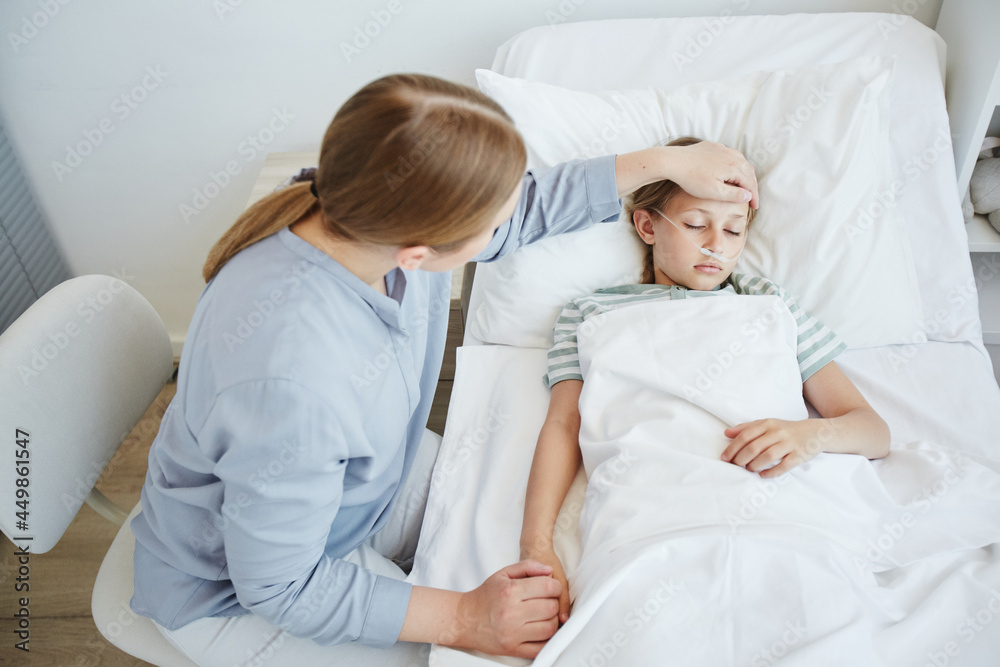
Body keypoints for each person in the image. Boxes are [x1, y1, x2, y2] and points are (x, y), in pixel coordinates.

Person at [129, 79, 761, 666]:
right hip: (246, 591)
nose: (504, 225)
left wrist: (664, 164)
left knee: (544, 515)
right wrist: (462, 619)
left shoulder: (362, 216)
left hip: (361, 492)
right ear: (418, 254)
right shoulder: (294, 380)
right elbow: (280, 585)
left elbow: (516, 211)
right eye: (488, 225)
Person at [519, 138, 891, 626]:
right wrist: (537, 545)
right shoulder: (589, 313)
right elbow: (564, 427)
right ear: (648, 226)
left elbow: (872, 430)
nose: (718, 245)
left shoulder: (768, 304)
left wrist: (807, 434)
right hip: (651, 504)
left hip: (775, 503)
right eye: (696, 225)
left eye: (735, 231)